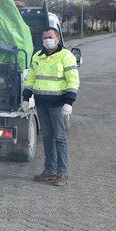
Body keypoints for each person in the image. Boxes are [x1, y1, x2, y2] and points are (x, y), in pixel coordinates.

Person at [22, 27, 80, 186]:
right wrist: (26, 98)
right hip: (41, 104)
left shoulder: (66, 56)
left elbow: (73, 81)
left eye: (50, 37)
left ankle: (62, 173)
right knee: (47, 137)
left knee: (60, 138)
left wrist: (69, 102)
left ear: (57, 39)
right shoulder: (37, 56)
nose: (47, 40)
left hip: (58, 105)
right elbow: (30, 79)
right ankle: (49, 171)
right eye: (44, 38)